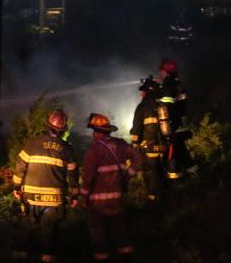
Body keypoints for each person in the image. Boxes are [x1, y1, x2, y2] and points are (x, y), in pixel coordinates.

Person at [11, 108, 80, 262]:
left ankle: (19, 255)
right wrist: (74, 195)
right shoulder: (67, 149)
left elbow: (20, 166)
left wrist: (16, 186)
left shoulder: (32, 143)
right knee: (50, 230)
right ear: (63, 130)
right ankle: (47, 257)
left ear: (47, 126)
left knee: (26, 226)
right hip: (54, 200)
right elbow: (73, 175)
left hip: (30, 197)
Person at [81, 113, 141, 262]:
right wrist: (128, 175)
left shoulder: (93, 150)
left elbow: (88, 177)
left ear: (95, 132)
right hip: (117, 199)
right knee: (122, 234)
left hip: (97, 204)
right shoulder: (121, 145)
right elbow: (139, 158)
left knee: (99, 238)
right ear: (108, 130)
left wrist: (83, 197)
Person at [129, 76, 169, 203]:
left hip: (148, 146)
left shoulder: (142, 107)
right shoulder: (161, 105)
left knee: (150, 171)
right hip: (163, 146)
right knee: (161, 169)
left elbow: (136, 128)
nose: (141, 94)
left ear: (147, 92)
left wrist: (134, 146)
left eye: (143, 91)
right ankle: (165, 194)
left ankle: (153, 197)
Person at [157, 57, 194, 182]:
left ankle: (175, 178)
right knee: (181, 149)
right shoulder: (177, 82)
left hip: (173, 123)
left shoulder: (168, 84)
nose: (160, 74)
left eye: (161, 72)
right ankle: (193, 172)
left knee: (173, 151)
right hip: (180, 122)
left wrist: (157, 96)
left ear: (166, 72)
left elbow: (166, 104)